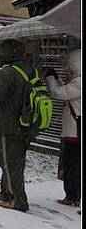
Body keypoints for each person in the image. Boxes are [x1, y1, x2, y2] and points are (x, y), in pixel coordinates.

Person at [0, 40, 34, 212]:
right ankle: (6, 191)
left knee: (8, 162)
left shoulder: (7, 72)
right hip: (27, 123)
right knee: (15, 160)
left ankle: (18, 201)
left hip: (10, 124)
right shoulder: (30, 69)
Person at [43, 48, 81, 207]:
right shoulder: (77, 82)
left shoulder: (80, 82)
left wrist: (50, 77)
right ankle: (73, 195)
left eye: (70, 66)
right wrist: (57, 77)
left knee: (72, 165)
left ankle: (72, 196)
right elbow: (66, 92)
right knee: (74, 164)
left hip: (75, 131)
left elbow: (57, 94)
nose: (68, 69)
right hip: (74, 131)